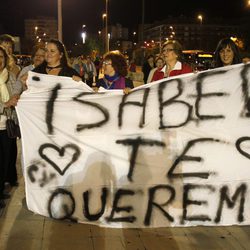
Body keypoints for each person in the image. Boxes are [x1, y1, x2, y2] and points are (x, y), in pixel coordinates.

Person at [0, 46, 22, 208]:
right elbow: (7, 102)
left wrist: (22, 85)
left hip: (6, 125)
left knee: (4, 161)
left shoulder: (9, 76)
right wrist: (5, 104)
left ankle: (0, 190)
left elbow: (17, 89)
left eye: (1, 57)